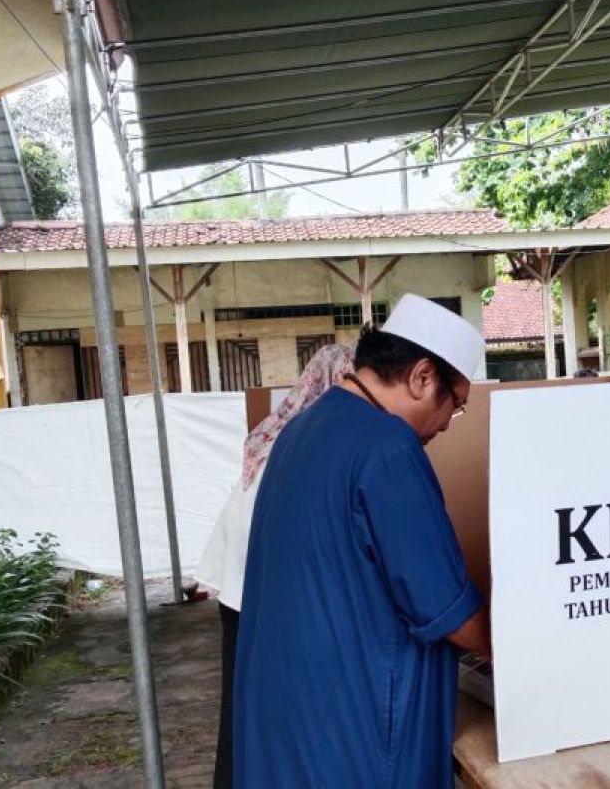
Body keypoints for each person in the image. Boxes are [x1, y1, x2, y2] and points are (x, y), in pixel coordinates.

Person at [233, 294, 491, 788]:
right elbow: (448, 610)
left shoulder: (301, 429)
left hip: (291, 715)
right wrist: (513, 649)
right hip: (359, 725)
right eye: (455, 406)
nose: (444, 426)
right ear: (421, 377)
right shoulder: (387, 446)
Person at [198, 344, 354, 789]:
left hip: (236, 593)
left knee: (241, 702)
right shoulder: (306, 447)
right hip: (263, 594)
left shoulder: (273, 433)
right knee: (273, 710)